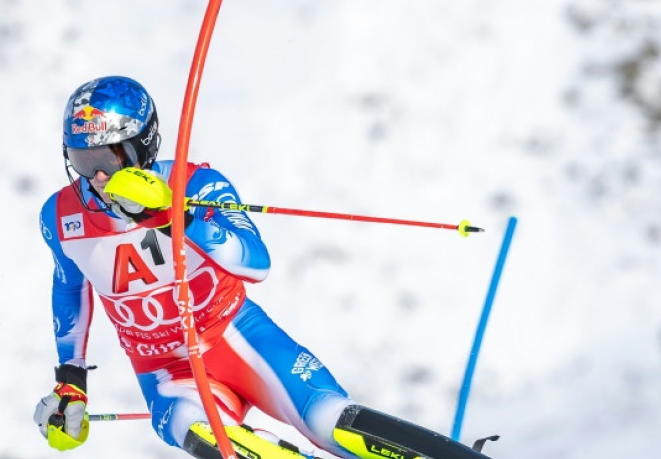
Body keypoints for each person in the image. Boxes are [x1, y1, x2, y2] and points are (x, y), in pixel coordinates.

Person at [32, 75, 492, 459]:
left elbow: (253, 263)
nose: (97, 179)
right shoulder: (60, 217)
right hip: (165, 371)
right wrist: (71, 381)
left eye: (110, 160)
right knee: (210, 440)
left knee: (330, 421)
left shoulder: (196, 183)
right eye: (82, 160)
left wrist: (177, 217)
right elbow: (69, 287)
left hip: (239, 338)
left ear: (142, 147)